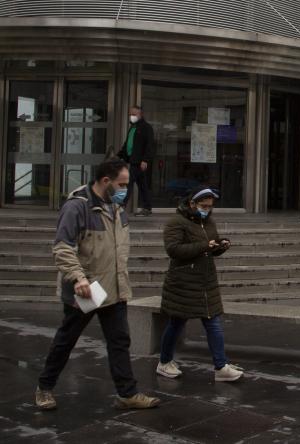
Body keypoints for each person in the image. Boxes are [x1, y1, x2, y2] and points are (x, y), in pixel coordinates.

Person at [35, 158, 160, 410]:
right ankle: (44, 387)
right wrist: (79, 278)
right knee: (66, 340)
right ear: (106, 181)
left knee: (119, 341)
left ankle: (127, 393)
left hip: (113, 288)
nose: (126, 189)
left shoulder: (116, 207)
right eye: (122, 184)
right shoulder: (77, 207)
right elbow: (62, 247)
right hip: (88, 289)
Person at [156, 186, 244, 382]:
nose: (207, 209)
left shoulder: (208, 222)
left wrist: (220, 246)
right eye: (203, 206)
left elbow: (210, 247)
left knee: (213, 323)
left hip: (206, 282)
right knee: (176, 324)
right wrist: (205, 245)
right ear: (192, 203)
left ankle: (221, 366)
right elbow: (174, 250)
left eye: (210, 207)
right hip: (183, 283)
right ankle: (164, 362)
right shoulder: (176, 222)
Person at [118, 105, 154, 216]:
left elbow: (149, 145)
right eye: (131, 114)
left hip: (139, 162)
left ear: (140, 115)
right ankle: (147, 208)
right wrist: (119, 155)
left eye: (134, 114)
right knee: (142, 185)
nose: (132, 116)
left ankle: (120, 207)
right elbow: (127, 144)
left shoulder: (146, 127)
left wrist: (145, 160)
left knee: (128, 183)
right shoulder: (133, 128)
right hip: (133, 160)